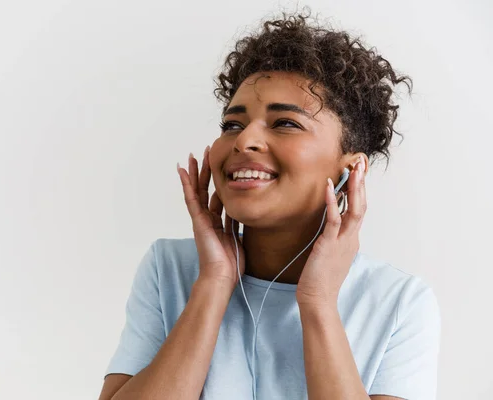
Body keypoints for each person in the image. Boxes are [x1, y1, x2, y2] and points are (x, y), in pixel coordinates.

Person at [98, 9, 440, 400]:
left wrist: (318, 302)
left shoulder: (399, 302)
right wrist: (214, 283)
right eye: (232, 125)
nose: (244, 141)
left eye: (285, 123)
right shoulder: (169, 269)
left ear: (351, 170)